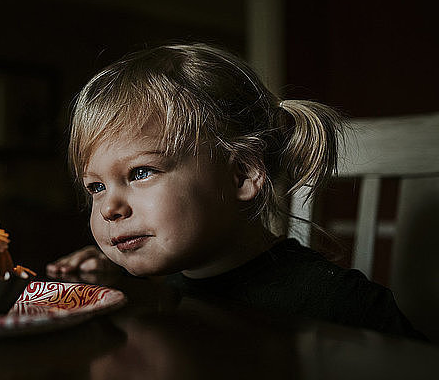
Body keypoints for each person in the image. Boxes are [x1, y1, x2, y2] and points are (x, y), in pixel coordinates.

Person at [47, 42, 426, 341]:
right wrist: (117, 289)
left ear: (242, 176)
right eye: (95, 186)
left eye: (141, 172)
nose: (109, 207)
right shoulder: (169, 293)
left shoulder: (340, 305)